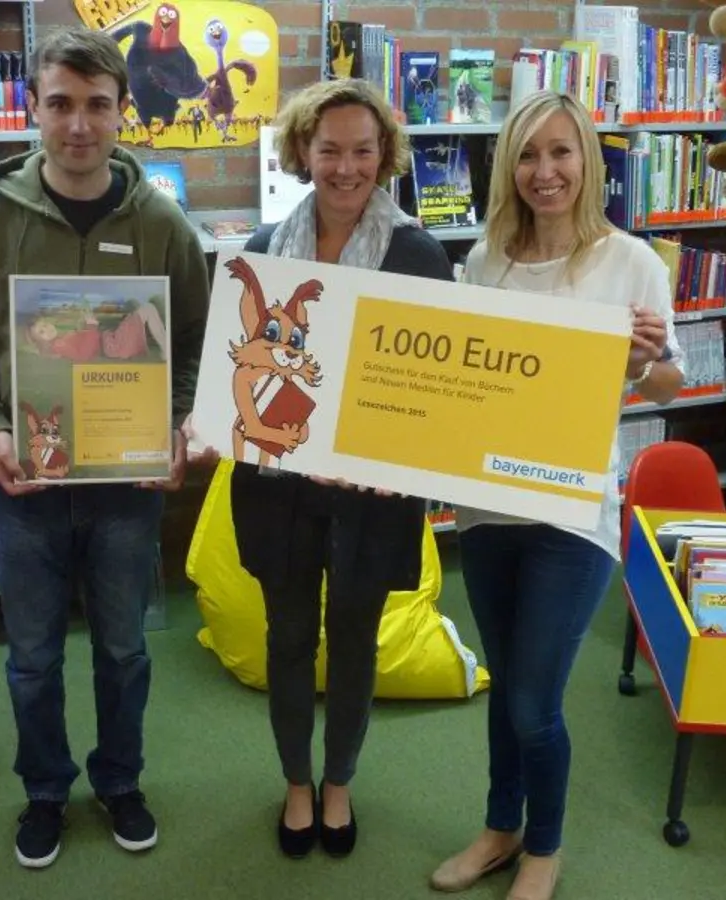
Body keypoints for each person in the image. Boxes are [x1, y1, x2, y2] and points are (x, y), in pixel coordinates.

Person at [0, 26, 210, 870]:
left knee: (125, 649)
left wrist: (178, 420)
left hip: (125, 483)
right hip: (25, 482)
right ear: (35, 109)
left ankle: (119, 781)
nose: (79, 124)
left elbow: (195, 341)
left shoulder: (161, 221)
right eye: (60, 104)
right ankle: (45, 791)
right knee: (32, 657)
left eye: (97, 105)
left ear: (125, 112)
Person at [429, 90, 682, 900]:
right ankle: (501, 827)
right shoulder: (482, 262)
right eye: (529, 155)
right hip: (487, 508)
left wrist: (645, 361)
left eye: (562, 152)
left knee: (536, 700)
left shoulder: (632, 262)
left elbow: (672, 386)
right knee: (507, 686)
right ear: (509, 166)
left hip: (574, 516)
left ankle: (545, 844)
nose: (546, 172)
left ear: (588, 162)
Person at [231, 78, 455, 860]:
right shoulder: (261, 252)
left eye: (364, 150)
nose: (347, 166)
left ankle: (339, 782)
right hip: (279, 486)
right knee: (288, 635)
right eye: (329, 149)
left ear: (385, 155)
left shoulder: (420, 254)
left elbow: (434, 392)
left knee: (354, 638)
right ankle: (297, 782)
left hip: (372, 497)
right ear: (302, 152)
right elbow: (245, 374)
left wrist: (385, 456)